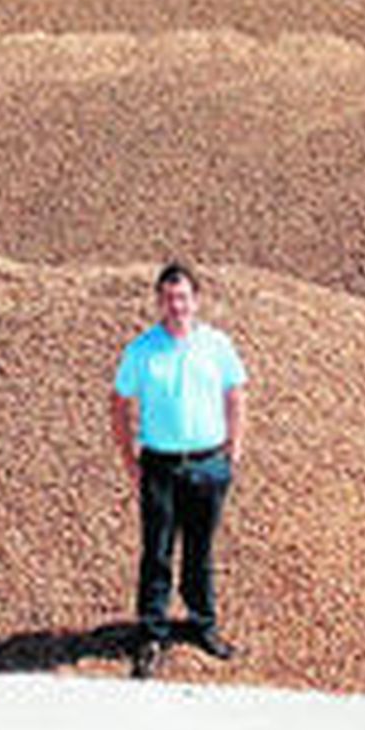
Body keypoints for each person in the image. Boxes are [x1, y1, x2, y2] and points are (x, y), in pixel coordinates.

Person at [110, 262, 247, 679]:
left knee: (200, 551)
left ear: (196, 300)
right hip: (161, 465)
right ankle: (151, 634)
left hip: (208, 463)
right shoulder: (142, 350)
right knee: (157, 551)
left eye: (183, 297)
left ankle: (202, 626)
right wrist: (130, 460)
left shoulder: (217, 345)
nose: (176, 306)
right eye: (169, 298)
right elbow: (119, 403)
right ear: (159, 302)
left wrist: (234, 449)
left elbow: (236, 393)